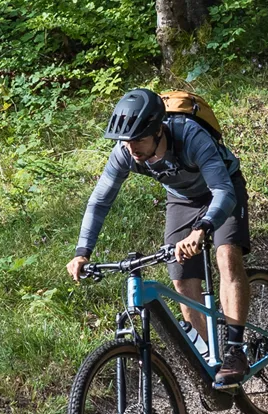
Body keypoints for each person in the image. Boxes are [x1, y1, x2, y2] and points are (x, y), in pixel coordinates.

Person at [65, 88, 251, 386]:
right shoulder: (126, 152)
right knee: (180, 277)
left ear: (158, 131)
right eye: (125, 141)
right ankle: (210, 358)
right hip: (183, 198)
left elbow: (224, 191)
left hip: (223, 190)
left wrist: (202, 229)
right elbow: (100, 201)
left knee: (226, 256)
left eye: (138, 139)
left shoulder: (190, 136)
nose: (131, 148)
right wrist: (82, 251)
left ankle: (235, 349)